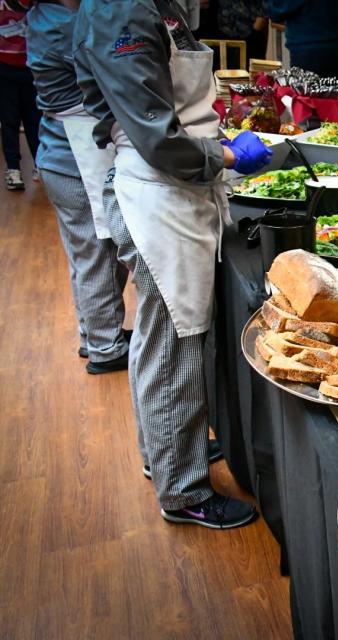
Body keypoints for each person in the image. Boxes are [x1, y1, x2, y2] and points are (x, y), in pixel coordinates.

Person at [73, 0, 272, 529]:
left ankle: (162, 451)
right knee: (173, 345)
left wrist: (217, 143)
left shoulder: (158, 6)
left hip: (178, 190)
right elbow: (157, 136)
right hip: (156, 193)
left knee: (163, 341)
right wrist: (228, 157)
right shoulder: (119, 12)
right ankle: (182, 492)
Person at [26, 0, 131, 373]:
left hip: (59, 151)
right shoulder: (64, 24)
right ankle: (105, 347)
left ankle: (94, 334)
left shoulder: (47, 15)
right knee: (99, 256)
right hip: (74, 157)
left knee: (86, 254)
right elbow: (114, 64)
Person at [0, 0, 40, 189]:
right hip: (3, 67)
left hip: (31, 64)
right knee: (9, 120)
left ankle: (41, 164)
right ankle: (13, 169)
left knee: (34, 119)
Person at [265, 0, 338, 81]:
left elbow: (276, 11)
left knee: (305, 96)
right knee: (333, 94)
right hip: (336, 46)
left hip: (307, 48)